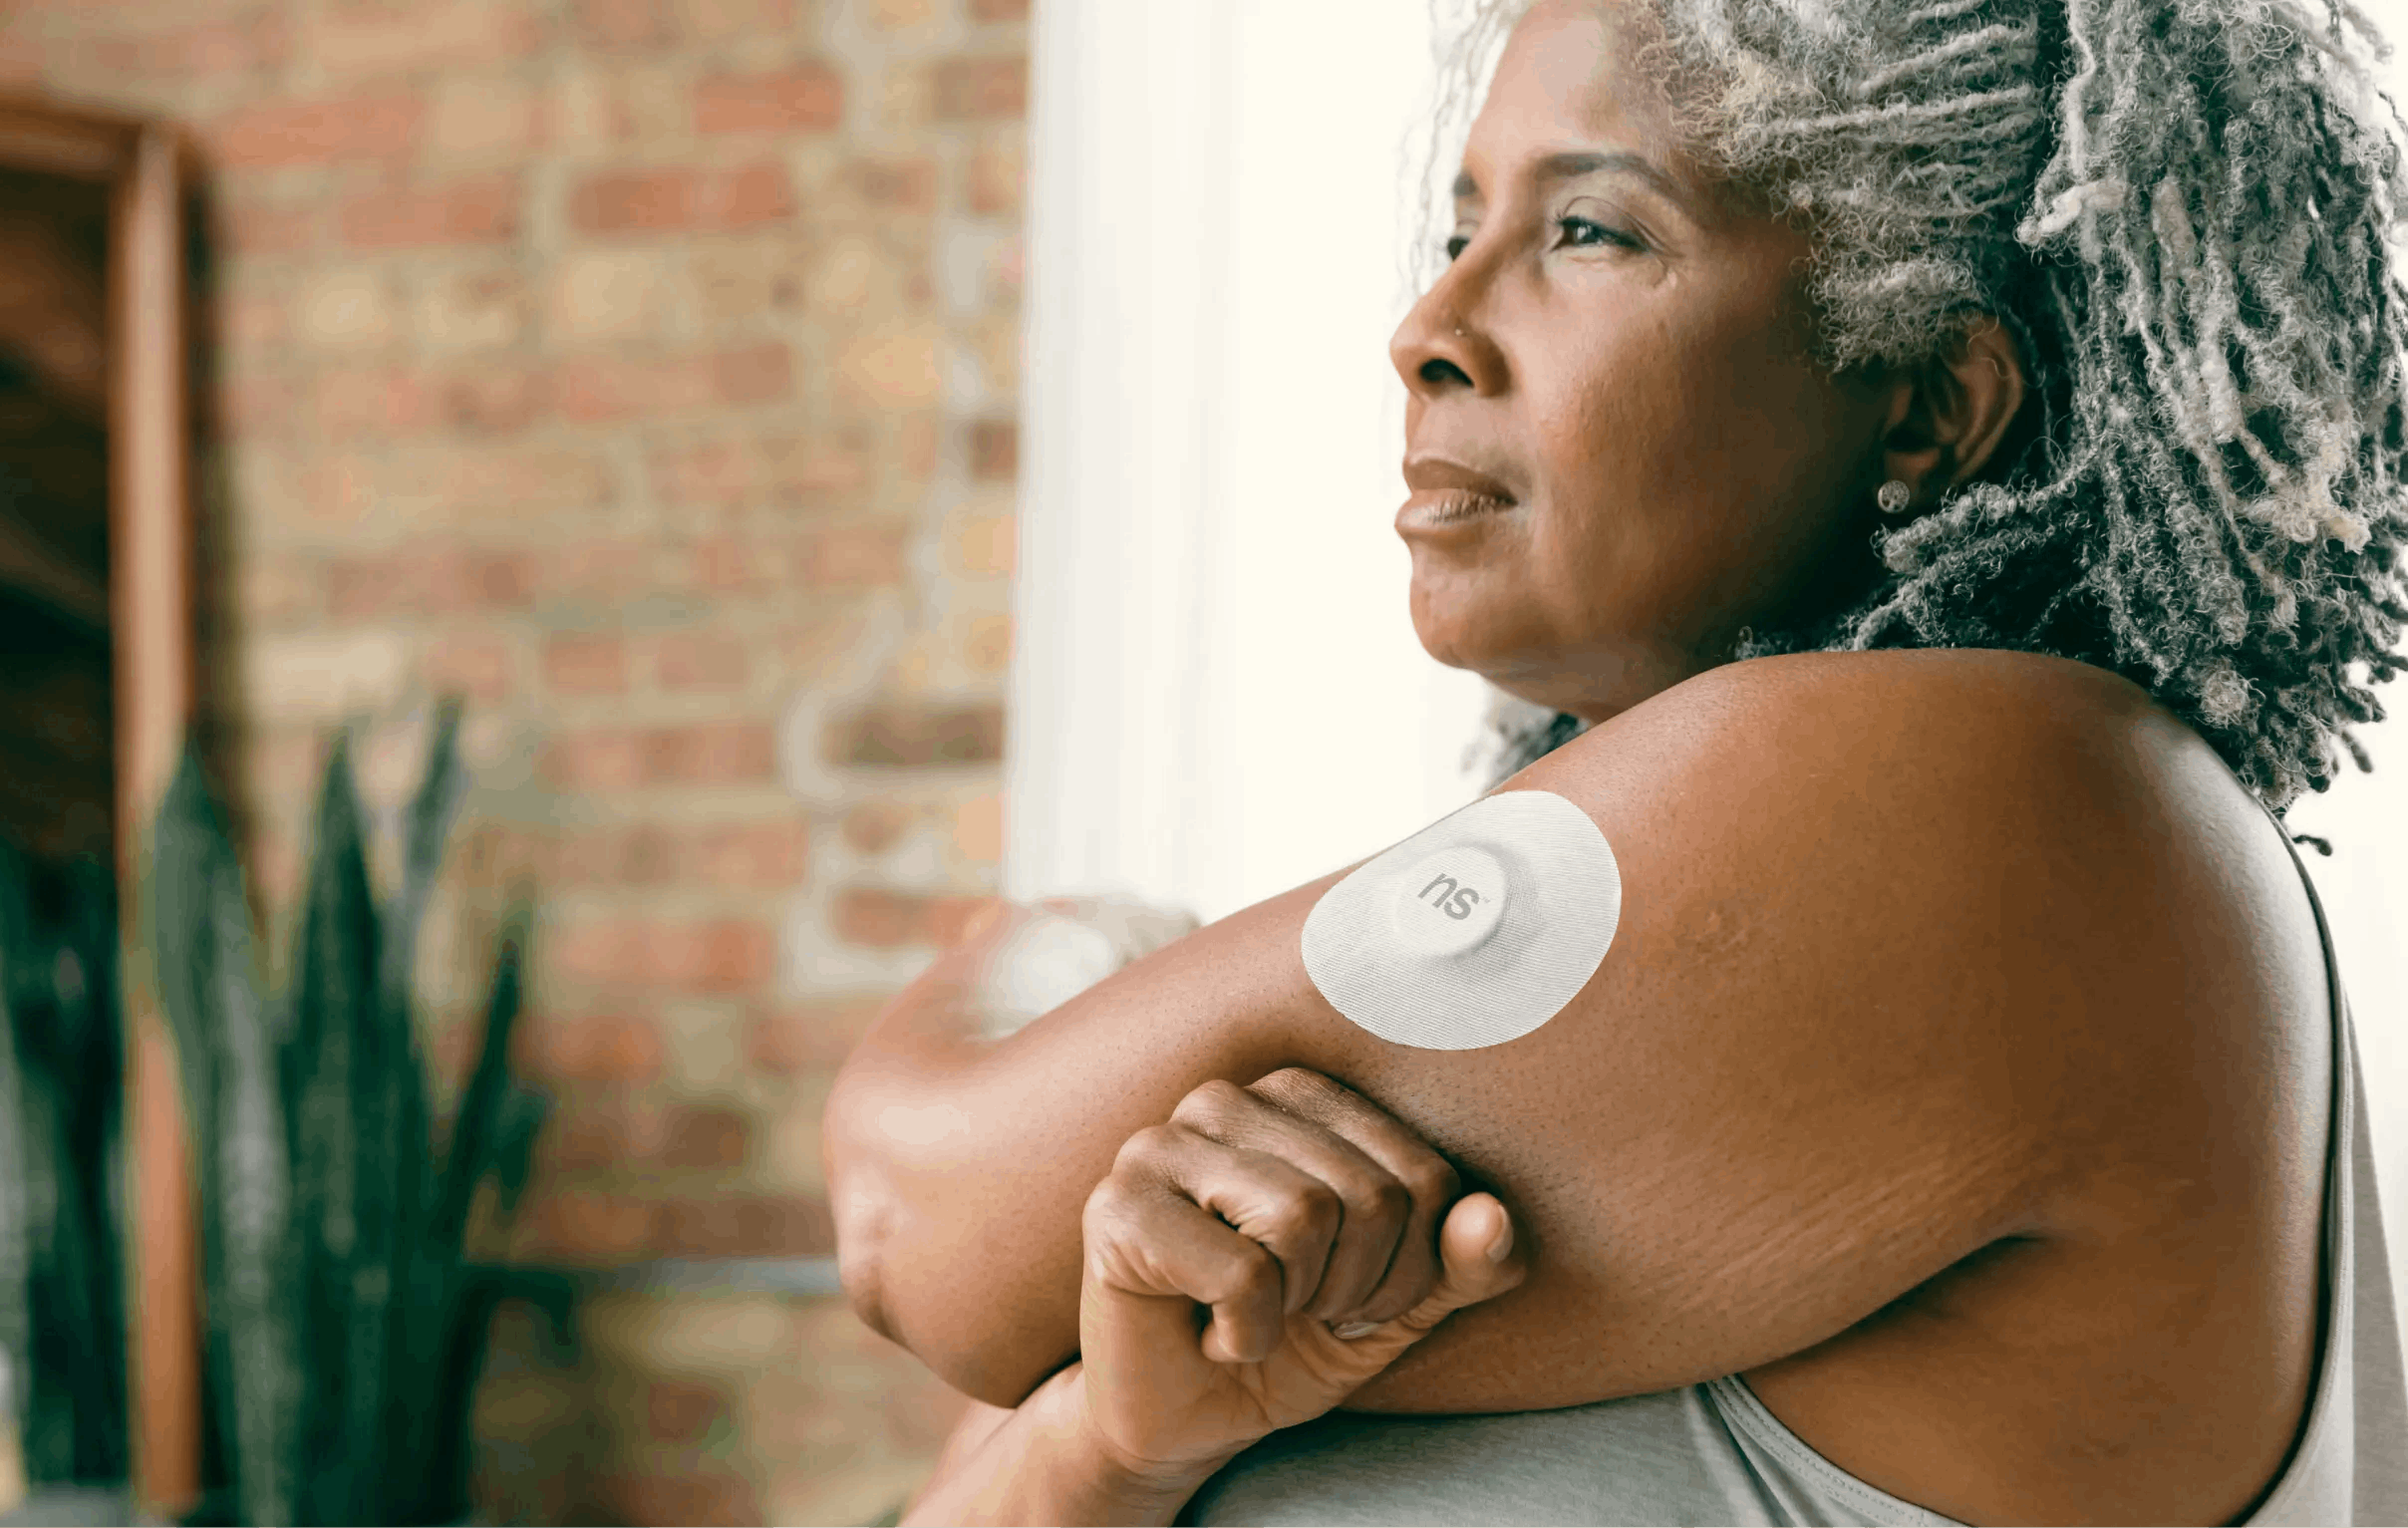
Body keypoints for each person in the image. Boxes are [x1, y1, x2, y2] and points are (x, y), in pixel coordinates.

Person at [824, 0, 2408, 1521]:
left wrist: (1062, 951)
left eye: (1592, 230)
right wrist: (1107, 1448)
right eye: (1462, 237)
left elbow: (915, 1223)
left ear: (1927, 405)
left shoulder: (2020, 802)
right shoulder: (1666, 1011)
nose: (1428, 332)